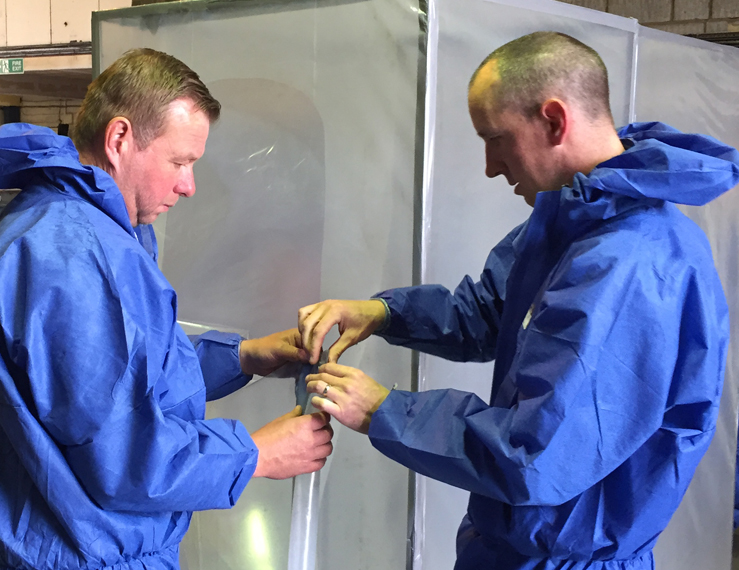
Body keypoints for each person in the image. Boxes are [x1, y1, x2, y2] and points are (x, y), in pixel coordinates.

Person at [298, 31, 739, 570]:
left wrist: (385, 410)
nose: (489, 166)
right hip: (511, 547)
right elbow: (488, 312)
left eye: (496, 138)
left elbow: (536, 454)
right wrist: (384, 313)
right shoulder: (577, 219)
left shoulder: (630, 266)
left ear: (553, 119)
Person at [0, 48, 333, 570]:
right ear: (120, 139)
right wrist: (256, 455)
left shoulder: (80, 226)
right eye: (180, 162)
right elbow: (122, 451)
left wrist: (241, 357)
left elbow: (116, 377)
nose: (188, 186)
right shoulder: (65, 253)